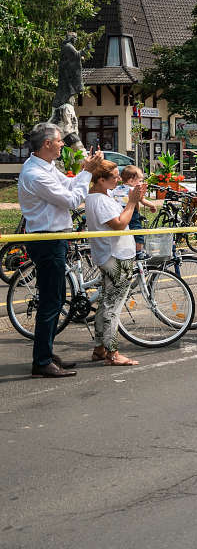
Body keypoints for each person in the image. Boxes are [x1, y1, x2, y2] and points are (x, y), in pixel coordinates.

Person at [17, 122, 101, 377]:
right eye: (59, 141)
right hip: (47, 239)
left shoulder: (46, 167)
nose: (62, 144)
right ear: (46, 144)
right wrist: (87, 171)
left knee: (54, 299)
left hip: (54, 237)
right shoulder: (35, 174)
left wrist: (85, 171)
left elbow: (68, 186)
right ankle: (41, 361)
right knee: (51, 301)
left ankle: (47, 352)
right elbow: (73, 200)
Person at [84, 158, 147, 366]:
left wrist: (135, 199)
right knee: (113, 306)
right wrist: (131, 202)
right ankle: (112, 352)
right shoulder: (100, 200)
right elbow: (119, 224)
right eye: (114, 176)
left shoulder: (99, 196)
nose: (119, 179)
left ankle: (100, 348)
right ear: (101, 180)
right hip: (115, 257)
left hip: (112, 255)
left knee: (106, 303)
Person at [112, 165, 159, 255]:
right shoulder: (134, 189)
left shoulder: (116, 189)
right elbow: (143, 200)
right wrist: (152, 206)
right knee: (138, 232)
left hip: (119, 214)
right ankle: (138, 252)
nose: (141, 183)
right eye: (140, 181)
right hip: (131, 213)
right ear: (131, 181)